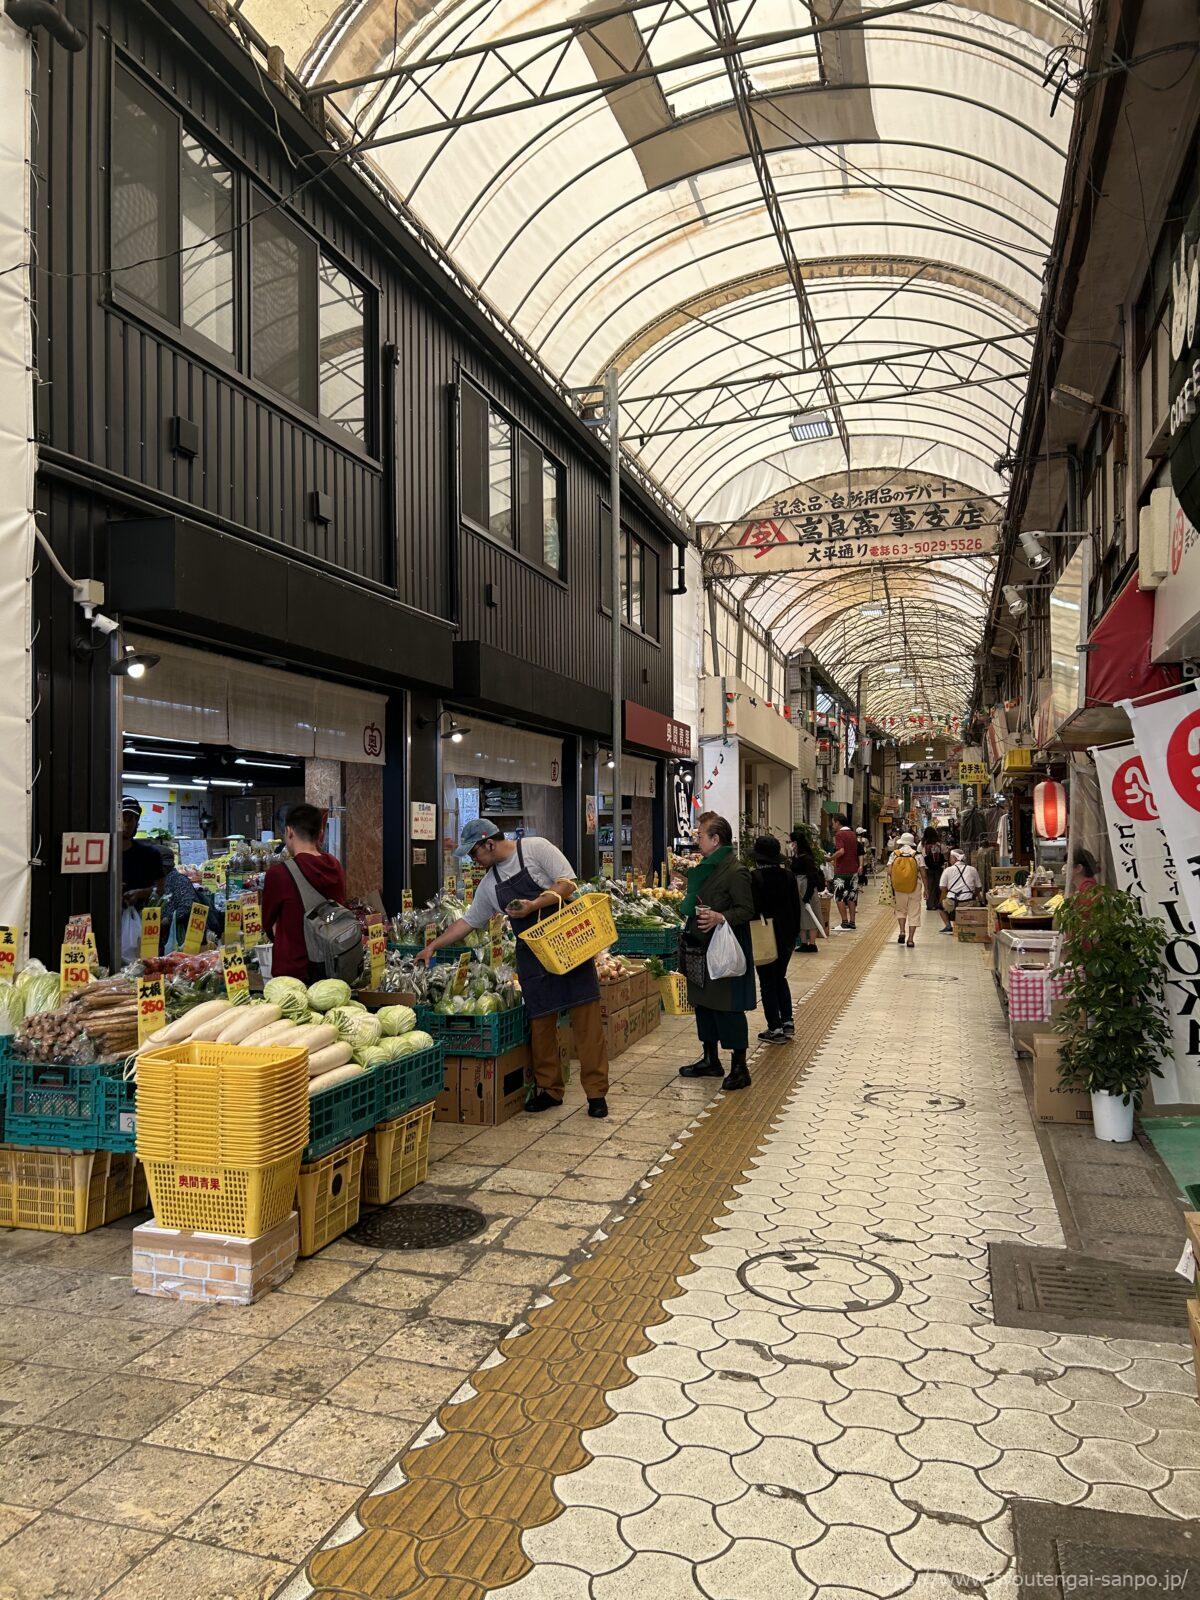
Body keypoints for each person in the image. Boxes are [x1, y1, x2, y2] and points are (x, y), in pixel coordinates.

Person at [418, 819, 610, 1118]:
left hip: (567, 944)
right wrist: (433, 946)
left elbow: (568, 882)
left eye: (474, 854)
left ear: (489, 843)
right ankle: (550, 1090)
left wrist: (534, 904)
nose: (474, 860)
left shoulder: (535, 849)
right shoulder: (490, 885)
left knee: (585, 1019)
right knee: (541, 1023)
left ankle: (596, 1093)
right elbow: (468, 922)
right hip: (532, 955)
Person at [678, 814, 756, 1092]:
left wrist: (720, 916)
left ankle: (740, 1067)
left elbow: (747, 910)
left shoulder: (735, 871)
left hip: (724, 950)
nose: (696, 838)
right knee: (704, 1003)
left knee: (728, 1007)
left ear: (716, 839)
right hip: (701, 946)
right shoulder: (707, 867)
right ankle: (711, 1059)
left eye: (700, 835)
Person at [262, 803, 348, 981]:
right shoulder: (335, 866)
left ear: (289, 831)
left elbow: (268, 923)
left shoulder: (278, 874)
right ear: (320, 833)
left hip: (294, 972)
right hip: (332, 966)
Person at [751, 836, 801, 1042]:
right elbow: (796, 908)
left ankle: (775, 1028)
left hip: (765, 936)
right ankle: (787, 1021)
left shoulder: (755, 878)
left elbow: (753, 910)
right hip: (787, 935)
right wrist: (795, 934)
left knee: (767, 981)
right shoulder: (788, 876)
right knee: (780, 977)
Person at [121, 797, 165, 910]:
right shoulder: (104, 854)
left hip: (141, 918)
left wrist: (141, 893)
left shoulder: (150, 855)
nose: (126, 824)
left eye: (130, 819)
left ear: (136, 822)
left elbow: (161, 889)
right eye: (122, 819)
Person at [887, 831, 927, 948]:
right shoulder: (917, 855)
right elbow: (924, 874)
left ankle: (902, 932)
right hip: (915, 887)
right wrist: (927, 889)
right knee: (914, 912)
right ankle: (910, 939)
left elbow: (889, 871)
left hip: (899, 887)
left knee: (901, 910)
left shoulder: (894, 854)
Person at [789, 828, 821, 953]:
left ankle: (812, 943)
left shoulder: (806, 857)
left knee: (810, 913)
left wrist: (807, 894)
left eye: (792, 842)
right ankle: (803, 943)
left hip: (806, 887)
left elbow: (812, 877)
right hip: (798, 887)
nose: (791, 844)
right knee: (801, 915)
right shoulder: (796, 856)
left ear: (797, 842)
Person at [830, 813, 860, 931]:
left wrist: (831, 858)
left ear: (838, 822)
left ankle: (844, 922)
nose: (832, 825)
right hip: (854, 870)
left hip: (842, 870)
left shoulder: (839, 834)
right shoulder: (853, 834)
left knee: (839, 896)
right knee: (852, 896)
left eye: (833, 823)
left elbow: (841, 851)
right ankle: (852, 922)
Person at [939, 849, 981, 928]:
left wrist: (949, 892)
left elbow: (942, 888)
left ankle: (948, 926)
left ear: (954, 858)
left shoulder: (947, 870)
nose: (950, 859)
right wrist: (973, 895)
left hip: (952, 903)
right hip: (969, 902)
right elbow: (978, 888)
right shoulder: (972, 869)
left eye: (950, 857)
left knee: (940, 907)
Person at [921, 826, 949, 932]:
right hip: (939, 868)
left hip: (928, 868)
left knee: (929, 886)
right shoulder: (939, 844)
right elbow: (945, 853)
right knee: (939, 886)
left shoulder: (923, 844)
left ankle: (930, 905)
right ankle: (938, 904)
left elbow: (921, 854)